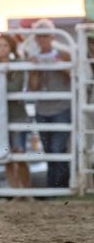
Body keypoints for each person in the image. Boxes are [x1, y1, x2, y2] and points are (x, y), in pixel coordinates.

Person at [27, 19, 72, 189]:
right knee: (49, 149)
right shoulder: (33, 56)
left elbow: (74, 78)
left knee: (57, 148)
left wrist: (61, 65)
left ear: (52, 36)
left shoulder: (64, 53)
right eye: (39, 36)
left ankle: (59, 186)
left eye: (45, 35)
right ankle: (55, 186)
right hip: (43, 108)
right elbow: (33, 87)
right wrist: (34, 69)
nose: (42, 39)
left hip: (61, 106)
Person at [0, 34, 31, 189]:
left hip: (17, 115)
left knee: (20, 154)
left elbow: (16, 87)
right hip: (0, 116)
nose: (1, 49)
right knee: (7, 156)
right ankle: (16, 191)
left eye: (5, 45)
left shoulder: (18, 65)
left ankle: (27, 190)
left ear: (11, 48)